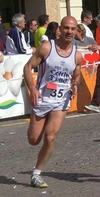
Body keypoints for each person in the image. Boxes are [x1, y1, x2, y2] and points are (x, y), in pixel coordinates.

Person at [24, 16, 82, 188]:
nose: (69, 32)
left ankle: (37, 174)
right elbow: (27, 67)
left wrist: (75, 85)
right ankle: (38, 132)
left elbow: (77, 76)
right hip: (42, 98)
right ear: (60, 29)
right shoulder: (47, 47)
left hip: (61, 101)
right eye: (66, 28)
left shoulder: (76, 55)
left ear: (76, 31)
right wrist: (33, 89)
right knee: (34, 139)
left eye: (73, 29)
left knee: (51, 136)